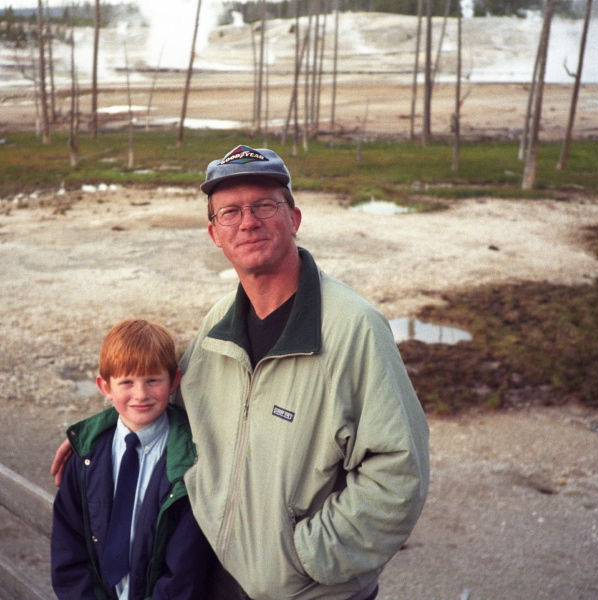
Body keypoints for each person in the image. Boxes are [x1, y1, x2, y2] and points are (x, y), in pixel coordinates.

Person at [54, 146, 430, 600]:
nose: (248, 222)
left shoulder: (354, 328)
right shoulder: (218, 324)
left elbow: (398, 472)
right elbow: (173, 402)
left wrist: (307, 557)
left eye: (264, 205)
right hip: (216, 585)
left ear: (294, 218)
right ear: (215, 233)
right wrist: (101, 431)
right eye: (230, 212)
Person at [50, 319, 212, 600]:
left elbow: (185, 572)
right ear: (105, 386)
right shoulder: (87, 457)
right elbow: (69, 552)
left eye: (152, 380)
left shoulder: (190, 464)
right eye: (126, 382)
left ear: (174, 380)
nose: (141, 394)